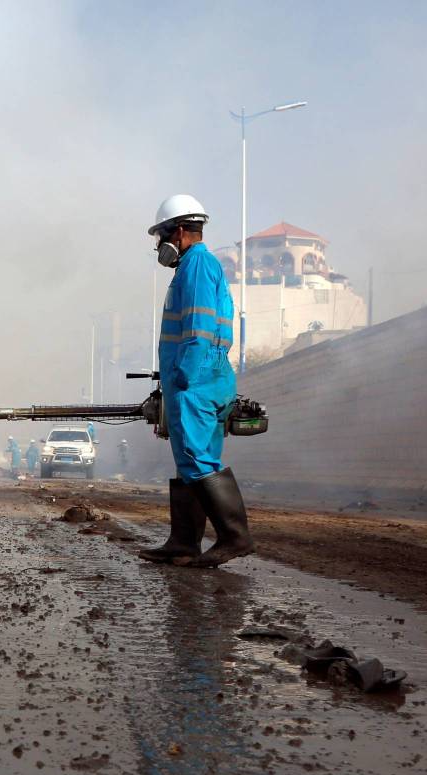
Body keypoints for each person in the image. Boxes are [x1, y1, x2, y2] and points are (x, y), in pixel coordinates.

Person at [138, 194, 254, 567]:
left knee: (196, 457)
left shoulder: (198, 265)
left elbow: (199, 326)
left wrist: (184, 374)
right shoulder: (192, 266)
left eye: (162, 235)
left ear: (181, 231)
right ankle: (183, 542)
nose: (160, 244)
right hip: (198, 377)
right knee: (189, 460)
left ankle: (235, 537)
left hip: (197, 379)